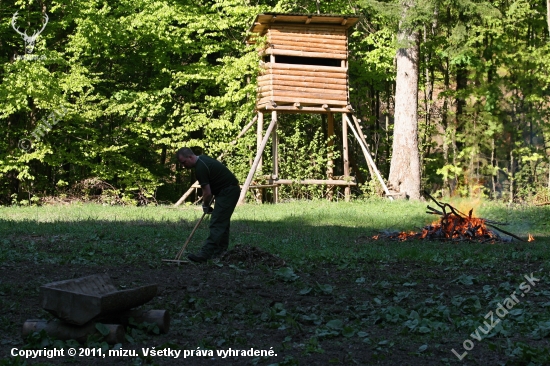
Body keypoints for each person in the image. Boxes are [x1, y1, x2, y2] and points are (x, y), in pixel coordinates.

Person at [176, 147, 240, 262]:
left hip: (228, 192)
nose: (183, 165)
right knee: (222, 223)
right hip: (227, 190)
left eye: (184, 162)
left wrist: (205, 206)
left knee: (217, 222)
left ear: (190, 157)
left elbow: (207, 192)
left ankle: (204, 254)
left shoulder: (200, 168)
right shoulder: (203, 159)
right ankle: (221, 252)